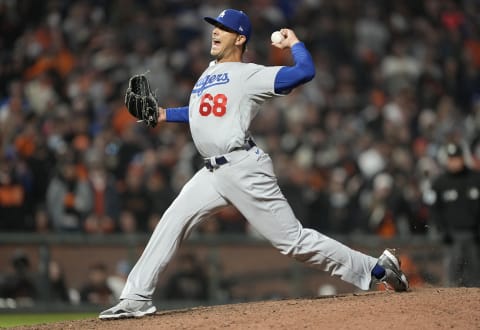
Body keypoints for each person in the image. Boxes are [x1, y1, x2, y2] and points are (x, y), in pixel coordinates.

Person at [99, 9, 409, 320]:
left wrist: (295, 44)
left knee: (293, 242)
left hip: (243, 167)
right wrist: (165, 114)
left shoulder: (251, 74)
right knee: (171, 221)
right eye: (214, 27)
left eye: (223, 28)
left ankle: (378, 268)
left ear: (240, 37)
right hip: (211, 172)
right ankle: (136, 298)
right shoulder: (208, 73)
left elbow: (304, 72)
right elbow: (200, 112)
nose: (215, 32)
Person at [428, 142, 480, 287]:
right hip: (452, 236)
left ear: (463, 158)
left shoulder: (475, 179)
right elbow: (433, 209)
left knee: (476, 276)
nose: (454, 162)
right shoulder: (440, 182)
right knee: (452, 278)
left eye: (457, 158)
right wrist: (442, 230)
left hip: (474, 235)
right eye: (451, 159)